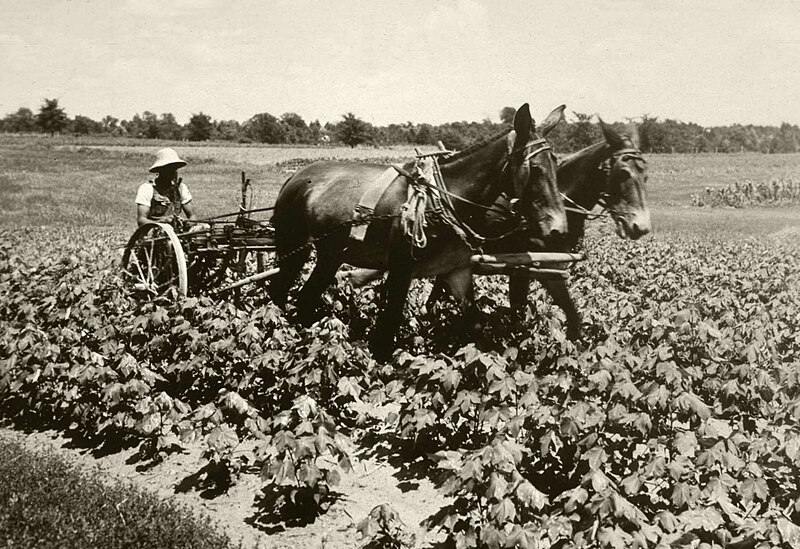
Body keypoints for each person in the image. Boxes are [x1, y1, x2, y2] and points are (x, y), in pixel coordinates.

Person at [135, 148, 197, 227]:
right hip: (154, 232)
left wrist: (187, 223)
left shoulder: (181, 188)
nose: (172, 172)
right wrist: (161, 222)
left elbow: (192, 216)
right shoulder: (147, 188)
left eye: (174, 169)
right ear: (160, 170)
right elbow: (141, 220)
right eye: (168, 169)